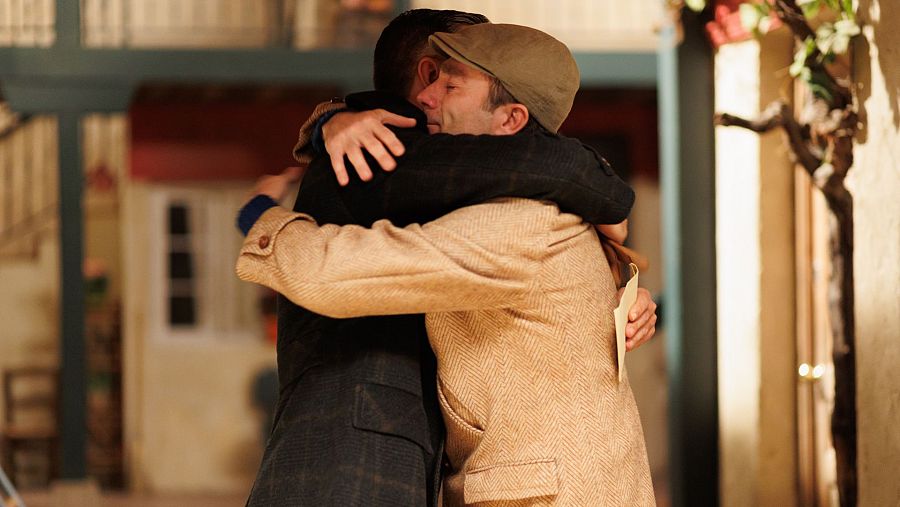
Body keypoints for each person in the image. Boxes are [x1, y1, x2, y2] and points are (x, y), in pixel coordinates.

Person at [237, 23, 655, 506]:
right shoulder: (550, 209)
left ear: (511, 120)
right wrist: (329, 121)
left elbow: (329, 273)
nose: (428, 97)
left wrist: (257, 219)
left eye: (451, 84)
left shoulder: (520, 222)